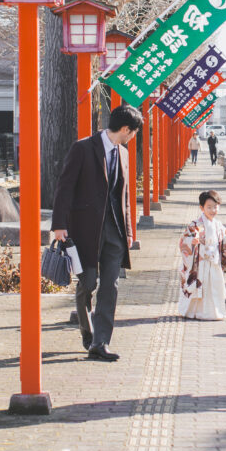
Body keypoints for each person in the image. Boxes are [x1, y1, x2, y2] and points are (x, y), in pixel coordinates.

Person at [52, 104, 142, 361]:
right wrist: (59, 225)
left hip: (115, 232)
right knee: (88, 283)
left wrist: (128, 230)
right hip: (85, 230)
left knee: (110, 286)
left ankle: (101, 342)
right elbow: (64, 187)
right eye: (133, 132)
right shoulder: (82, 148)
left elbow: (123, 196)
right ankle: (87, 331)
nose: (133, 136)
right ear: (125, 129)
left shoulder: (123, 154)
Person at [178, 190, 226, 320]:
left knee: (214, 289)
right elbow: (184, 241)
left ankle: (214, 312)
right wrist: (192, 242)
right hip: (200, 263)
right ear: (202, 208)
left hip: (214, 262)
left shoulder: (219, 225)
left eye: (215, 207)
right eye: (209, 207)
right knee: (201, 287)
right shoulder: (195, 225)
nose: (213, 210)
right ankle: (194, 312)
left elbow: (224, 242)